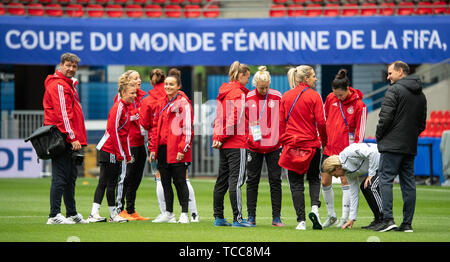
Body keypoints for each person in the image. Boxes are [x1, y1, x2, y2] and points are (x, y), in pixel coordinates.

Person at [374, 61, 427, 232]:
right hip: (409, 145)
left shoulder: (394, 90)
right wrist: (409, 137)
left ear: (401, 72)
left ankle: (388, 220)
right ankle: (407, 224)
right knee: (408, 183)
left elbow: (385, 117)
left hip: (391, 144)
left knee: (385, 180)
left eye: (390, 73)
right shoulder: (421, 95)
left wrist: (379, 135)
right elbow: (422, 124)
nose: (388, 77)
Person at [141, 69, 199, 222]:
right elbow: (155, 128)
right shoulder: (161, 102)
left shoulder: (183, 103)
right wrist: (153, 149)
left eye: (171, 84)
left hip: (177, 149)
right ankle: (168, 213)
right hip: (162, 149)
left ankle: (185, 214)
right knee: (165, 181)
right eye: (166, 84)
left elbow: (187, 129)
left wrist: (182, 149)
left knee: (180, 182)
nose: (167, 87)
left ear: (179, 86)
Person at [278, 65, 327, 230]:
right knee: (314, 178)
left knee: (296, 183)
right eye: (313, 76)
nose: (316, 78)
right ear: (305, 78)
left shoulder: (286, 96)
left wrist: (283, 140)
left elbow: (280, 122)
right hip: (312, 145)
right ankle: (315, 209)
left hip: (292, 145)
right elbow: (321, 122)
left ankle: (301, 221)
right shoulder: (315, 96)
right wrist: (324, 141)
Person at [43, 52, 88, 224]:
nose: (71, 69)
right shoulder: (59, 85)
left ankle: (71, 213)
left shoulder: (67, 85)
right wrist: (72, 137)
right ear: (60, 65)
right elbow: (63, 115)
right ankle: (54, 215)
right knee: (61, 177)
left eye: (74, 66)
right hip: (62, 137)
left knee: (70, 177)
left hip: (67, 137)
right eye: (68, 65)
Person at [321, 69, 367, 228]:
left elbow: (361, 130)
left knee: (345, 180)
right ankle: (331, 214)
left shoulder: (359, 105)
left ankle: (344, 217)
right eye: (336, 94)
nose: (338, 98)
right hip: (329, 147)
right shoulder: (330, 98)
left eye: (340, 95)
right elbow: (325, 119)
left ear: (348, 89)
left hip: (346, 150)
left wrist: (357, 151)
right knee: (325, 180)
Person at [88, 73, 136, 223]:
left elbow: (124, 134)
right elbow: (113, 131)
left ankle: (111, 214)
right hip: (109, 149)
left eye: (135, 93)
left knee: (111, 183)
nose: (134, 96)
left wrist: (127, 154)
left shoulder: (126, 108)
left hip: (114, 150)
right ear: (122, 93)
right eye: (131, 93)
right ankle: (95, 213)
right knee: (105, 182)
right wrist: (120, 153)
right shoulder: (119, 107)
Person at [212, 61, 252, 227]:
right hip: (237, 142)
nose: (248, 81)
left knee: (222, 180)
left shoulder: (224, 92)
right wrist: (221, 137)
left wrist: (218, 137)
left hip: (224, 144)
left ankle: (219, 217)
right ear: (241, 76)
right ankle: (238, 218)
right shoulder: (239, 93)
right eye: (247, 77)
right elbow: (235, 118)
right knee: (236, 181)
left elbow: (219, 118)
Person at [245, 66, 284, 227]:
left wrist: (280, 137)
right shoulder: (249, 97)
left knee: (275, 181)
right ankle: (251, 216)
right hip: (254, 147)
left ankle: (276, 217)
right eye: (262, 87)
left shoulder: (276, 96)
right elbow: (246, 121)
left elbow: (282, 119)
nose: (264, 90)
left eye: (267, 86)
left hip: (274, 146)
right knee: (252, 181)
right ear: (255, 85)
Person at [322, 143, 383, 230]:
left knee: (370, 185)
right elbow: (354, 193)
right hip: (377, 165)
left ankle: (384, 219)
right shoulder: (348, 173)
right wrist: (352, 218)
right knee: (364, 187)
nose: (336, 177)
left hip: (385, 158)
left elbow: (373, 152)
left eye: (334, 174)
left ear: (337, 167)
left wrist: (371, 173)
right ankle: (378, 219)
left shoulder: (348, 153)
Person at [115, 70, 150, 221]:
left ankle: (131, 209)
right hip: (129, 141)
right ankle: (120, 209)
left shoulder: (143, 96)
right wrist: (139, 113)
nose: (139, 80)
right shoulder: (122, 96)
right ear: (128, 80)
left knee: (137, 177)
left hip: (141, 141)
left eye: (139, 77)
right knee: (127, 176)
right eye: (135, 78)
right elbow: (123, 117)